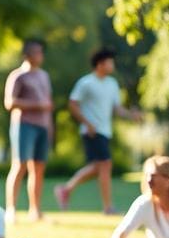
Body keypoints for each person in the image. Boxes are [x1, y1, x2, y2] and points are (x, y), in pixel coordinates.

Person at [55, 48, 141, 215]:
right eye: (110, 62)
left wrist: (132, 115)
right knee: (105, 165)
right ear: (100, 64)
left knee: (97, 168)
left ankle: (66, 189)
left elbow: (117, 109)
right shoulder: (86, 83)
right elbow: (72, 104)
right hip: (92, 132)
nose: (112, 65)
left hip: (105, 131)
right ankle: (108, 207)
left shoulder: (112, 84)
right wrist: (87, 124)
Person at [3, 38, 53, 223]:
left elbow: (48, 105)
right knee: (20, 165)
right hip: (24, 125)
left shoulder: (44, 76)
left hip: (42, 126)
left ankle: (35, 210)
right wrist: (35, 105)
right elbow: (9, 102)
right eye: (36, 52)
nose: (40, 56)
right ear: (27, 55)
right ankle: (11, 209)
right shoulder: (18, 76)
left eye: (41, 52)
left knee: (38, 168)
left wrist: (50, 127)